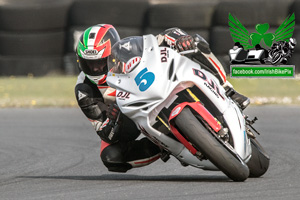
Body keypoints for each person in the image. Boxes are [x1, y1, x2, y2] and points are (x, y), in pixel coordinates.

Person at [74, 24, 250, 173]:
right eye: (89, 64)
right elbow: (106, 134)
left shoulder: (127, 50)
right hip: (128, 116)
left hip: (156, 83)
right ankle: (164, 146)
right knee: (111, 157)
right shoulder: (85, 90)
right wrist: (113, 119)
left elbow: (163, 37)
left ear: (111, 54)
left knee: (195, 43)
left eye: (99, 62)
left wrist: (180, 40)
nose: (95, 69)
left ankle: (227, 89)